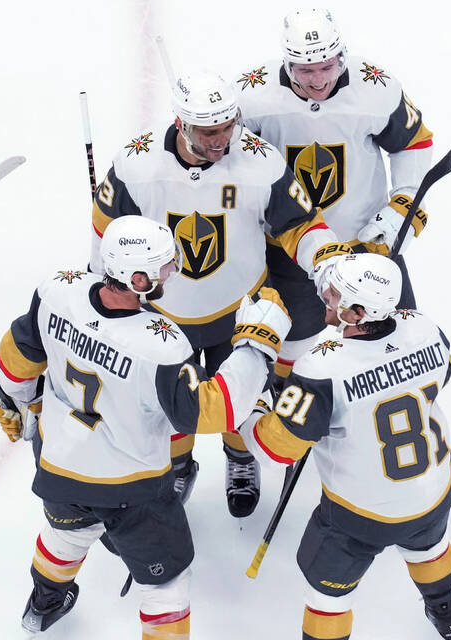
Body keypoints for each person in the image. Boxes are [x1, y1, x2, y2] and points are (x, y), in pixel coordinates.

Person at [0, 215, 290, 640]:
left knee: (66, 534)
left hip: (59, 468)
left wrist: (19, 404)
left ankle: (42, 605)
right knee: (165, 582)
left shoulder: (56, 291)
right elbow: (216, 410)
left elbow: (17, 358)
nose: (173, 272)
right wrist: (256, 346)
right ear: (137, 280)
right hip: (133, 488)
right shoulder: (162, 344)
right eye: (163, 269)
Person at [89, 69, 348, 518]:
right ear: (180, 124)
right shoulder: (137, 165)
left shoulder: (259, 160)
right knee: (169, 403)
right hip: (162, 315)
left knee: (243, 397)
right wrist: (102, 285)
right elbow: (106, 233)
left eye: (228, 127)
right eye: (210, 131)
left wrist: (325, 259)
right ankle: (177, 465)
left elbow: (300, 224)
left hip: (238, 308)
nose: (222, 140)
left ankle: (241, 459)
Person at [238, 252, 451, 640]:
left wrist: (255, 405)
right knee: (431, 545)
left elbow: (276, 448)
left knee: (328, 596)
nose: (325, 296)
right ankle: (446, 613)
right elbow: (445, 374)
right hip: (434, 488)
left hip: (360, 515)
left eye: (337, 295)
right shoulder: (422, 327)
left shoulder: (324, 365)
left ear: (359, 312)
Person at [236, 8, 435, 380]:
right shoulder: (251, 96)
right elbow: (230, 166)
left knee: (401, 345)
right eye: (305, 70)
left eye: (327, 67)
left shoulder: (376, 88)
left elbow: (413, 142)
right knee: (287, 356)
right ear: (287, 63)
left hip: (367, 246)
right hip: (289, 250)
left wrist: (404, 201)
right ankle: (294, 427)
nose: (318, 80)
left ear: (342, 56)